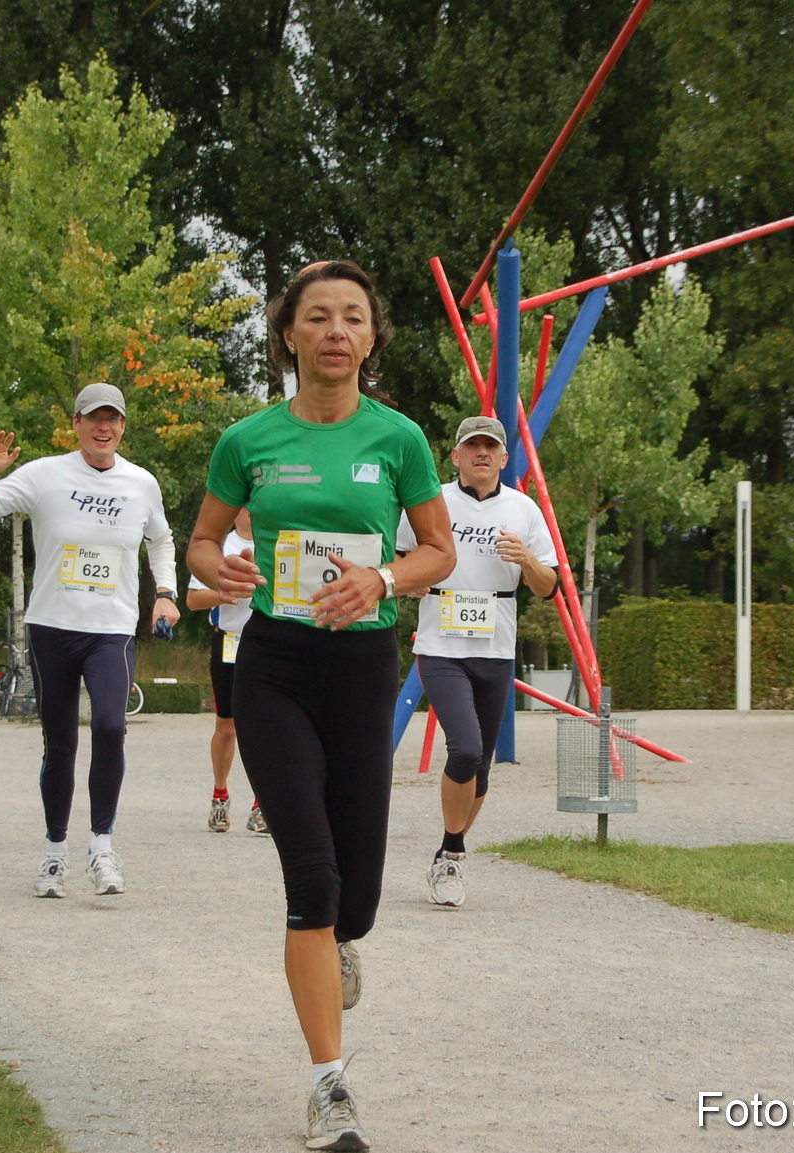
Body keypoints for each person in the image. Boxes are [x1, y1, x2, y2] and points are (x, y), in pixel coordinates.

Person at [187, 260, 454, 1151]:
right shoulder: (247, 438)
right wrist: (214, 564)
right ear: (290, 334)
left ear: (370, 338)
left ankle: (341, 934)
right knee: (311, 875)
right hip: (274, 663)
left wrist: (383, 574)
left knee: (359, 896)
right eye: (318, 317)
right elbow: (203, 536)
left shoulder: (401, 438)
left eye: (353, 317)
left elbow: (439, 552)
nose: (336, 330)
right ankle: (328, 1085)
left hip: (364, 664)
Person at [0, 381, 179, 899]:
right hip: (53, 626)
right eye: (94, 417)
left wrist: (165, 592)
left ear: (123, 427)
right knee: (59, 743)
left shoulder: (141, 482)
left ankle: (102, 846)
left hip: (111, 629)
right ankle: (54, 852)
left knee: (109, 724)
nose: (105, 427)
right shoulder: (43, 475)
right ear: (76, 425)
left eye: (114, 419)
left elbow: (161, 539)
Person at [397, 416, 558, 908]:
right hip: (441, 642)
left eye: (491, 447)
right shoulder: (433, 501)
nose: (482, 454)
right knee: (464, 750)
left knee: (481, 767)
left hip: (495, 644)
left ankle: (451, 852)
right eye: (473, 446)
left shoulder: (524, 509)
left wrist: (526, 559)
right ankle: (452, 853)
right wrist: (413, 579)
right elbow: (400, 560)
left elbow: (547, 587)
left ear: (505, 459)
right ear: (456, 456)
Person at [185, 506, 266, 834]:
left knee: (268, 727)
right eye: (244, 506)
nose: (250, 512)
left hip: (266, 642)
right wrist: (224, 593)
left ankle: (263, 806)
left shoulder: (273, 545)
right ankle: (220, 796)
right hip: (229, 643)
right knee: (228, 726)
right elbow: (192, 599)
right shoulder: (219, 547)